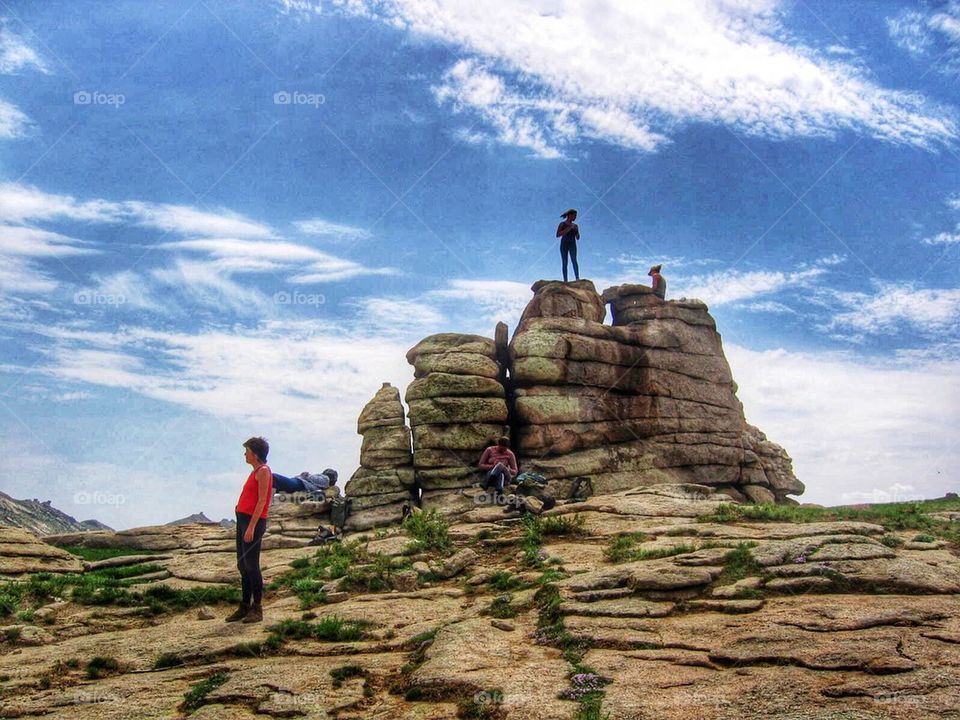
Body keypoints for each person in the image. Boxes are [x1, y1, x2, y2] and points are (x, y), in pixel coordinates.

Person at [225, 436, 273, 624]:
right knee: (242, 565)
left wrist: (251, 526)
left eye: (247, 451)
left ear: (255, 453)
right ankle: (244, 606)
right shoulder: (255, 471)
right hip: (243, 520)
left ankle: (257, 608)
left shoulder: (263, 471)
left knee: (252, 565)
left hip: (253, 522)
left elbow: (262, 500)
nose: (245, 454)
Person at [556, 209, 580, 282]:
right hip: (564, 243)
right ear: (570, 215)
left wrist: (576, 231)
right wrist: (568, 228)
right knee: (565, 261)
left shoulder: (575, 225)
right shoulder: (562, 224)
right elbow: (557, 234)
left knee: (574, 260)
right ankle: (565, 280)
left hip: (572, 243)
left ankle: (577, 278)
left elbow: (578, 238)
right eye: (574, 216)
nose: (575, 217)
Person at [272, 468, 338, 495]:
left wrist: (306, 475)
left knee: (275, 478)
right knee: (278, 484)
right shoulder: (325, 480)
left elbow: (312, 478)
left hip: (300, 484)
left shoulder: (326, 479)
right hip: (300, 483)